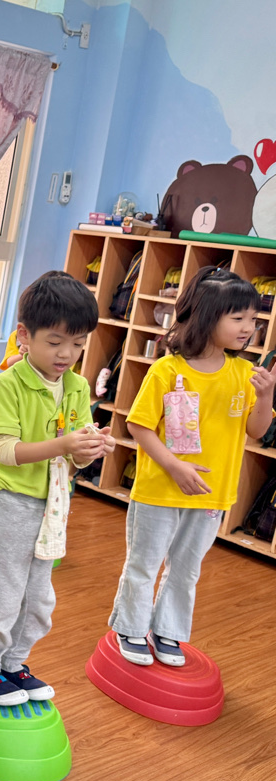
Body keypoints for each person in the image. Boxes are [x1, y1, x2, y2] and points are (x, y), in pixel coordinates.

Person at [108, 266, 276, 667]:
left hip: (211, 494)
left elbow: (256, 431)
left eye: (253, 319)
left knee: (186, 568)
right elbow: (138, 425)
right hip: (159, 490)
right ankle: (130, 627)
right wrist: (174, 467)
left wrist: (267, 396)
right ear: (206, 316)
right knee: (144, 564)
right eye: (238, 318)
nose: (248, 328)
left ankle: (168, 630)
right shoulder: (168, 369)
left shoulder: (245, 373)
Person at [0, 272, 113, 706]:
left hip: (51, 506)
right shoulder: (7, 384)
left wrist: (89, 449)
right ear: (24, 336)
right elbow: (4, 451)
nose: (67, 354)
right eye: (55, 342)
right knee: (2, 597)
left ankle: (14, 664)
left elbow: (75, 458)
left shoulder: (77, 386)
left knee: (38, 600)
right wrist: (65, 444)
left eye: (78, 343)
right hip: (5, 504)